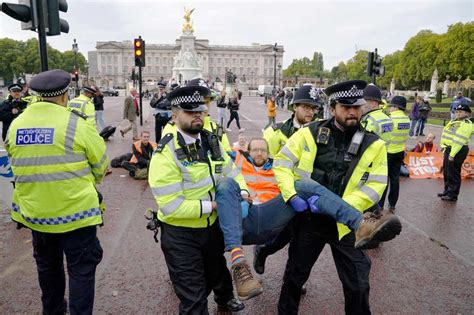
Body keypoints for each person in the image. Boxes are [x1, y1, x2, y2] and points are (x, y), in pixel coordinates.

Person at [275, 80, 390, 314]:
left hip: (346, 224)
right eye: (346, 107)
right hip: (309, 219)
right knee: (294, 278)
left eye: (357, 107)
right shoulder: (309, 133)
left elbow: (377, 185)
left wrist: (339, 207)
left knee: (358, 285)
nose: (352, 112)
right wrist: (291, 194)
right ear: (332, 107)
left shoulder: (374, 144)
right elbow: (282, 163)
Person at [5, 69, 109, 314]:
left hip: (36, 214)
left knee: (48, 269)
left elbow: (14, 162)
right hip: (77, 215)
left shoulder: (16, 125)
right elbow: (101, 166)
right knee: (81, 271)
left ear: (36, 95)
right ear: (64, 96)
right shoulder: (76, 123)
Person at [148, 85, 252, 313]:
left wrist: (243, 193)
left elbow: (231, 173)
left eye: (201, 110)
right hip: (181, 236)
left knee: (216, 272)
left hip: (211, 229)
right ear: (174, 116)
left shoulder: (211, 141)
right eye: (189, 111)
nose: (198, 115)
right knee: (194, 301)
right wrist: (217, 205)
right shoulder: (166, 152)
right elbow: (172, 207)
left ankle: (224, 298)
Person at [263, 84, 322, 158]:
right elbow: (265, 165)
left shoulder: (322, 130)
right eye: (306, 107)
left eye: (314, 108)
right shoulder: (274, 133)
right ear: (295, 107)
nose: (311, 112)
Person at [379, 96, 410, 211]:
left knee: (383, 179)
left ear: (396, 107)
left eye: (391, 106)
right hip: (399, 150)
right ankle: (392, 203)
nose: (390, 108)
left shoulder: (389, 118)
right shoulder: (407, 119)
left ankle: (380, 204)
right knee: (395, 178)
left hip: (388, 152)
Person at [438, 100, 472, 202]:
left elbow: (459, 140)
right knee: (447, 171)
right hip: (449, 148)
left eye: (461, 112)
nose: (458, 113)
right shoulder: (455, 121)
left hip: (457, 150)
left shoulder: (466, 124)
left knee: (454, 173)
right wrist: (443, 145)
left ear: (467, 114)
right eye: (457, 111)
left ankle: (452, 195)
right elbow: (448, 135)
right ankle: (447, 190)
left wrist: (452, 154)